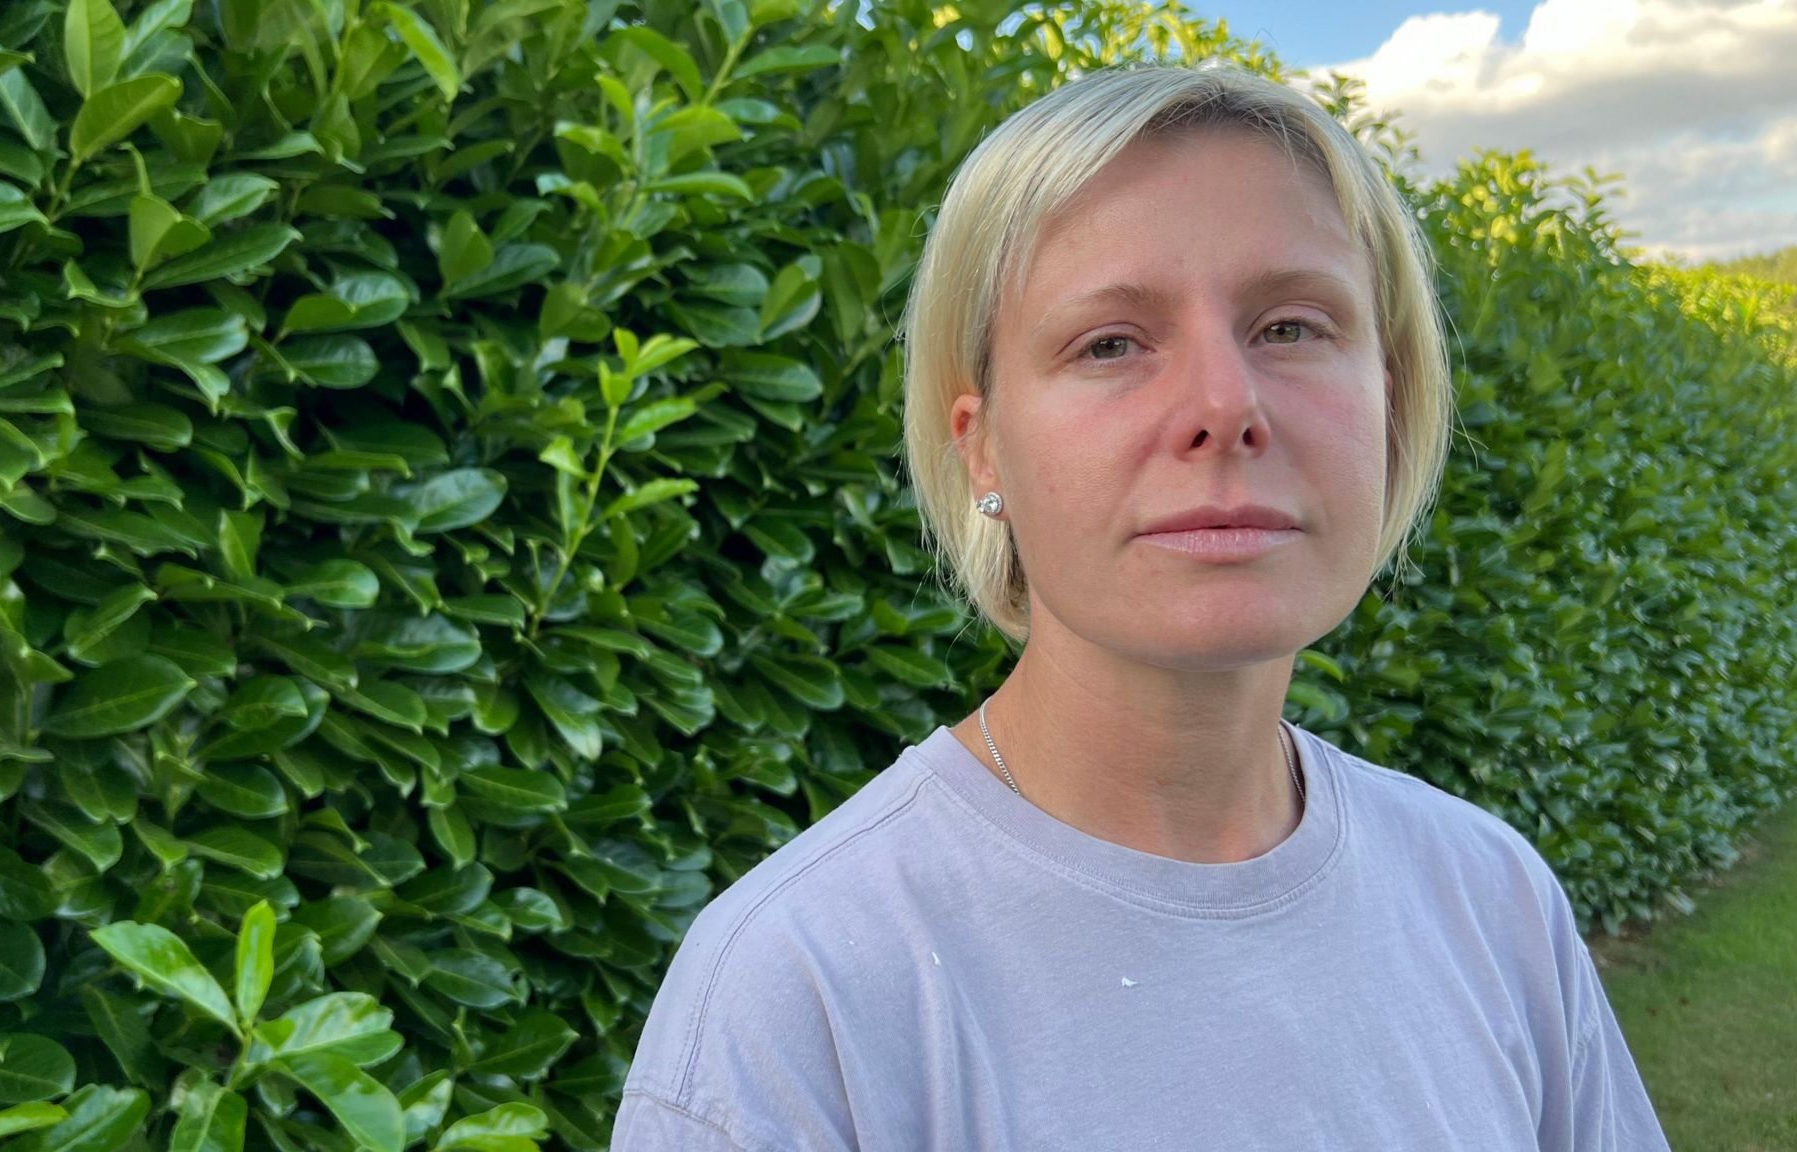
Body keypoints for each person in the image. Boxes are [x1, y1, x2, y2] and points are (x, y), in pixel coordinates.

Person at [609, 62, 1670, 1150]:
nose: (1223, 405)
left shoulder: (1487, 898)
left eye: (1292, 327)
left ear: (1389, 402)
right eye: (1109, 343)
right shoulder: (802, 993)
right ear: (982, 445)